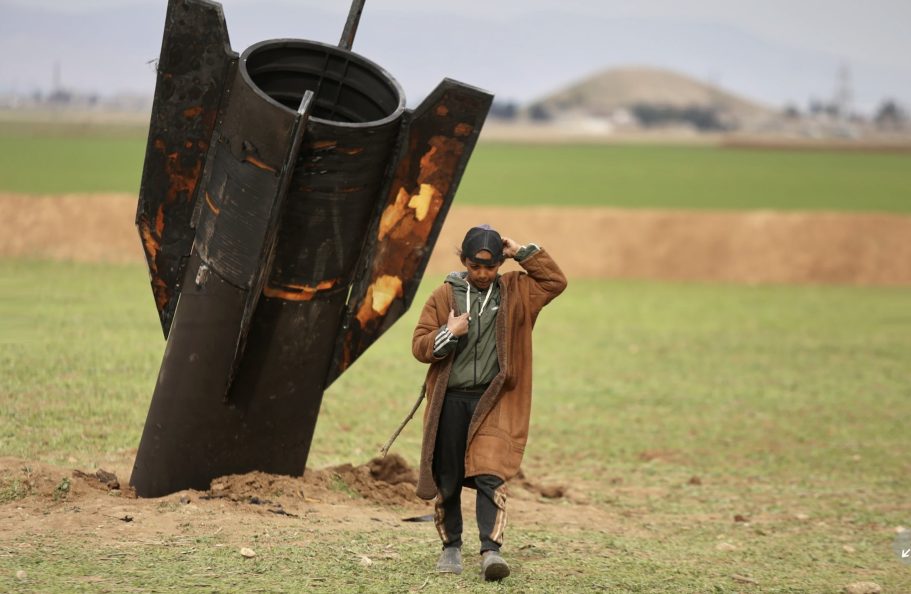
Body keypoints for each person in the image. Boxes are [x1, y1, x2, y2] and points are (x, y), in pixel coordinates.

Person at [411, 224, 567, 580]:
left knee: (490, 475)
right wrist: (449, 333)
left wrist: (522, 253)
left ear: (500, 262)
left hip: (495, 401)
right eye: (475, 265)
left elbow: (555, 282)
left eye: (491, 265)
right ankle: (450, 547)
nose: (483, 273)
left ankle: (490, 552)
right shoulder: (443, 296)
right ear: (464, 260)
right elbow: (420, 346)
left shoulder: (516, 291)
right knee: (447, 476)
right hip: (449, 401)